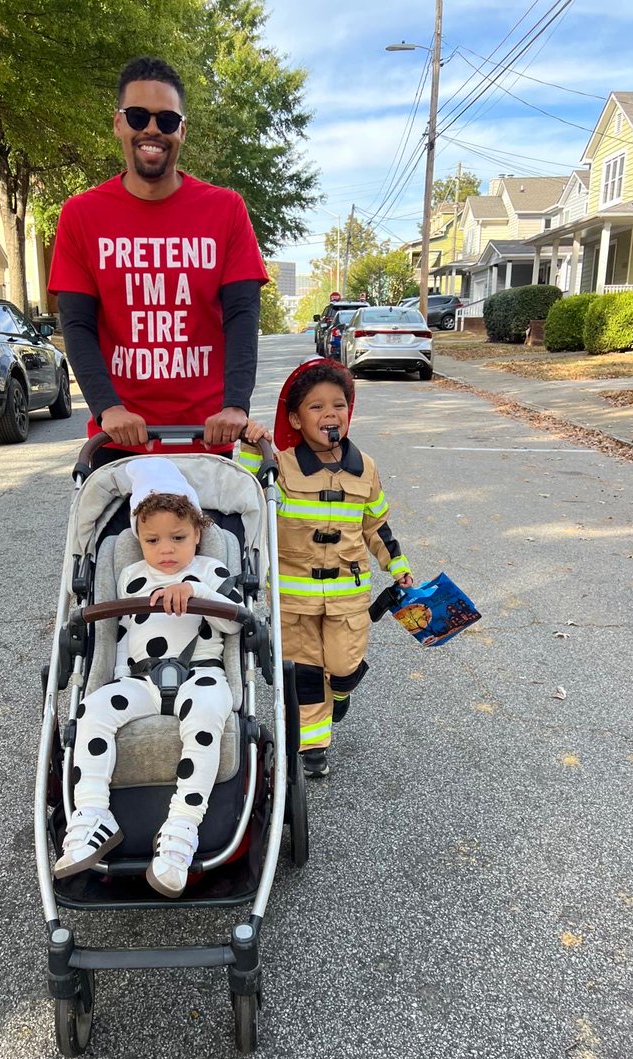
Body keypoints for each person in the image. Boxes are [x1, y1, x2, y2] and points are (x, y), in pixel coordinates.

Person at [47, 55, 268, 464]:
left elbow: (242, 315)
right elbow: (76, 324)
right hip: (120, 439)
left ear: (182, 131)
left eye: (166, 120)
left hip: (208, 436)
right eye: (137, 116)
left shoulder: (225, 209)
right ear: (118, 124)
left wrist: (236, 405)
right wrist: (107, 407)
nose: (152, 129)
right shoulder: (81, 214)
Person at [54, 458, 242, 896]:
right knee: (93, 710)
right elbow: (115, 635)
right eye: (153, 539)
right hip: (139, 678)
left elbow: (236, 624)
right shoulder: (129, 575)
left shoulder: (212, 573)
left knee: (209, 714)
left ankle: (181, 828)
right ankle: (92, 814)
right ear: (138, 539)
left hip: (201, 673)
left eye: (179, 537)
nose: (167, 548)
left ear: (198, 534)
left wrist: (195, 593)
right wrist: (111, 677)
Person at [240, 359, 412, 778]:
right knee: (305, 676)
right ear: (296, 419)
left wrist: (398, 564)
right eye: (316, 408)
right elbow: (246, 499)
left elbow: (376, 524)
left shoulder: (365, 468)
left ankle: (342, 692)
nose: (330, 414)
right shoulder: (279, 465)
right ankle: (313, 747)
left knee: (343, 666)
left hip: (347, 597)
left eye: (339, 404)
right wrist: (250, 450)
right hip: (293, 598)